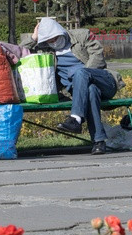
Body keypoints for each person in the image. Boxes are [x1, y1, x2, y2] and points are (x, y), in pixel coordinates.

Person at [20, 17, 125, 155]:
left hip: (104, 80)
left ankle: (75, 118)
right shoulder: (46, 48)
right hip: (82, 91)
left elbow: (98, 57)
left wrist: (83, 77)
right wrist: (33, 38)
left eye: (54, 38)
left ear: (60, 32)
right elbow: (19, 53)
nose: (53, 42)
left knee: (81, 73)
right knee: (91, 90)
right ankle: (99, 142)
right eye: (49, 40)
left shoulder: (82, 35)